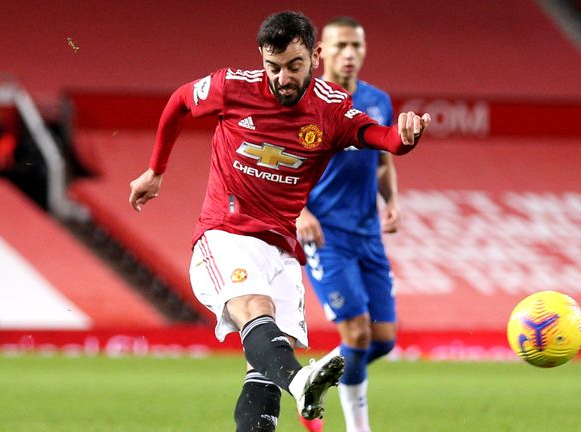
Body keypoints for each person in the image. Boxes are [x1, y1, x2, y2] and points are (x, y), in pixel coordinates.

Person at [128, 11, 430, 432]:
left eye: (294, 66)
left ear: (315, 56)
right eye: (273, 67)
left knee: (264, 375)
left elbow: (383, 140)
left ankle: (292, 380)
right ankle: (302, 379)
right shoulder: (232, 87)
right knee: (258, 310)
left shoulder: (331, 110)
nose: (282, 78)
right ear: (261, 59)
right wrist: (155, 170)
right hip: (225, 234)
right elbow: (180, 100)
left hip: (282, 251)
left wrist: (405, 137)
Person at [296, 17, 399, 432]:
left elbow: (384, 161)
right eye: (341, 46)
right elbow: (287, 164)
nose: (350, 54)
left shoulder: (378, 101)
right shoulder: (304, 104)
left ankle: (315, 378)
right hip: (326, 236)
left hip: (368, 234)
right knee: (357, 334)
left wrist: (391, 202)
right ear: (321, 52)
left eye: (357, 45)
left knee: (383, 339)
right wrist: (300, 212)